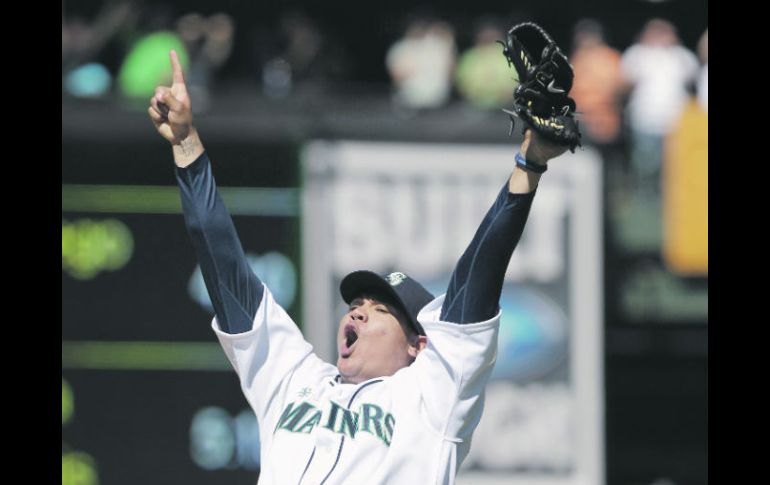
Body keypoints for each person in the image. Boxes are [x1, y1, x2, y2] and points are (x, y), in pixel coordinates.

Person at [148, 50, 569, 485]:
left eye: (381, 309)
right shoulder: (293, 378)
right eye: (357, 303)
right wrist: (185, 143)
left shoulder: (432, 395)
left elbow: (477, 280)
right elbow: (225, 267)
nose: (358, 311)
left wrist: (529, 164)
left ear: (418, 345)